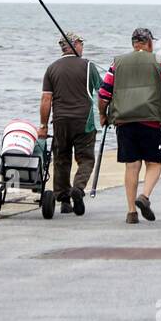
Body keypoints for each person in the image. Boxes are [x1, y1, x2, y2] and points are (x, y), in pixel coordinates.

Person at [98, 27, 161, 224]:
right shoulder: (159, 62)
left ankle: (131, 213)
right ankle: (144, 197)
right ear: (150, 43)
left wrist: (103, 114)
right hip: (151, 121)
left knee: (132, 165)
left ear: (133, 44)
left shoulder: (117, 63)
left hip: (124, 122)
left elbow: (104, 94)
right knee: (154, 163)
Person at [39, 32, 101, 216]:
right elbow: (102, 93)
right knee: (86, 158)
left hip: (60, 121)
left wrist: (43, 125)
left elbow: (46, 99)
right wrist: (106, 116)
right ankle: (79, 188)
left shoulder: (51, 69)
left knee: (61, 159)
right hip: (84, 121)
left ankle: (64, 199)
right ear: (74, 45)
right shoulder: (89, 66)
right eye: (81, 43)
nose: (82, 46)